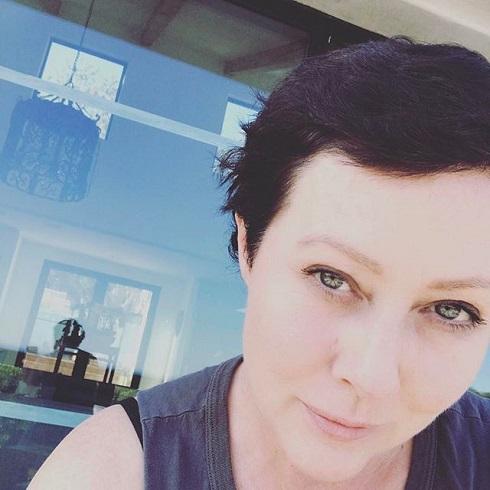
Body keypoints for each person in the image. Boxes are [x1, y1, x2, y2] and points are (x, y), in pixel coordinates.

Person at [29, 37, 490, 489]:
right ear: (249, 245)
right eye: (332, 278)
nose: (371, 377)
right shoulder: (107, 474)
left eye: (452, 309)